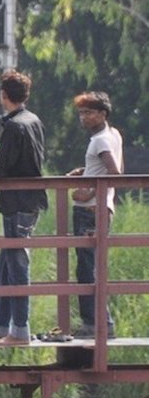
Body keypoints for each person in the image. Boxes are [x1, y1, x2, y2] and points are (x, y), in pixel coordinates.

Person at [0, 70, 46, 346]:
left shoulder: (15, 126)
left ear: (4, 96)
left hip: (19, 202)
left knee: (16, 261)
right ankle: (1, 327)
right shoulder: (33, 120)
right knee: (5, 261)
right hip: (28, 200)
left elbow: (2, 168)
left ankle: (21, 331)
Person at [66, 91, 122, 338]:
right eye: (81, 113)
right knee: (93, 267)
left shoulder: (100, 140)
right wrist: (86, 171)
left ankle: (95, 325)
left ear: (103, 114)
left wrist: (87, 190)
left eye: (88, 112)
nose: (83, 117)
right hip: (102, 209)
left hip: (89, 212)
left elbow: (115, 173)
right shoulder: (113, 135)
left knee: (87, 270)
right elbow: (115, 168)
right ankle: (100, 323)